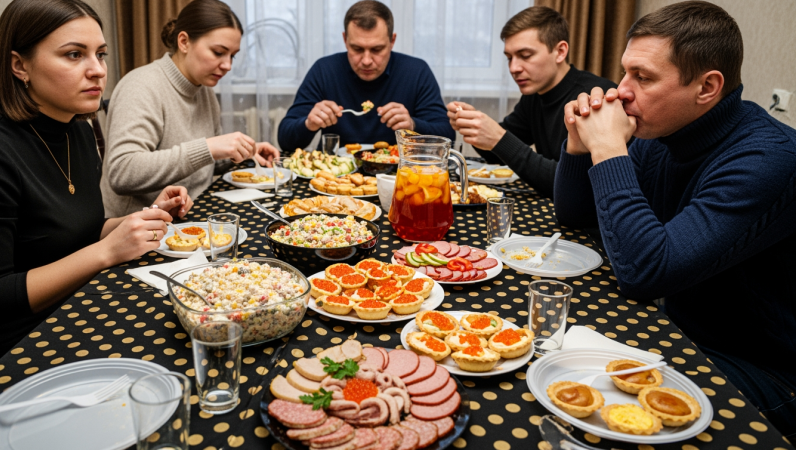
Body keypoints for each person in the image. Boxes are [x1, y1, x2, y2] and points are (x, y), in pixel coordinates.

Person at [554, 1, 796, 438]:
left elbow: (647, 272)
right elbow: (575, 217)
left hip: (762, 366)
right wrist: (578, 146)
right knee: (550, 355)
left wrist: (609, 149)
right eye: (625, 72)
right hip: (679, 328)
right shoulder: (662, 130)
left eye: (643, 77)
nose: (621, 90)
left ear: (707, 87)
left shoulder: (769, 159)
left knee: (599, 412)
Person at [0, 0, 192, 392]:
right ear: (20, 66)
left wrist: (143, 219)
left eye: (100, 54)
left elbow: (70, 232)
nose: (98, 69)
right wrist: (107, 252)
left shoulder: (77, 129)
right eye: (73, 55)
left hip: (69, 312)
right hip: (3, 357)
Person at [100, 0, 279, 217]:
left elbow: (201, 165)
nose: (228, 65)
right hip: (140, 229)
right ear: (184, 42)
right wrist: (208, 147)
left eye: (232, 55)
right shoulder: (141, 86)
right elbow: (123, 172)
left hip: (189, 216)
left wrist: (245, 152)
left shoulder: (203, 91)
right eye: (218, 52)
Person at [446, 7, 616, 198]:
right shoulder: (535, 94)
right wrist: (473, 126)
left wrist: (498, 138)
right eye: (509, 58)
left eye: (525, 55)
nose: (514, 68)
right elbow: (497, 153)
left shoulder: (593, 99)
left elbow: (575, 187)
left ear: (560, 52)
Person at [278, 0, 454, 151]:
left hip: (399, 175)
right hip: (335, 178)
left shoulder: (416, 71)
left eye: (377, 50)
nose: (367, 60)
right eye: (357, 49)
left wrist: (413, 125)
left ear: (392, 41)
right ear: (345, 40)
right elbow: (285, 141)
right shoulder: (324, 70)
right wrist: (309, 124)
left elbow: (448, 138)